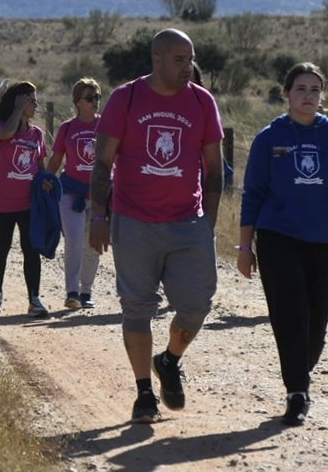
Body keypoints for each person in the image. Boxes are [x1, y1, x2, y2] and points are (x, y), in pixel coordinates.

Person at [89, 28, 224, 424]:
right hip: (134, 221)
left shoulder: (202, 101)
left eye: (191, 59)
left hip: (188, 221)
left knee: (197, 305)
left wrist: (208, 222)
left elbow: (214, 170)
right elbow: (102, 163)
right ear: (157, 60)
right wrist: (98, 216)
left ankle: (169, 360)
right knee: (137, 307)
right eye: (179, 59)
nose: (188, 67)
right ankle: (144, 392)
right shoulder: (126, 98)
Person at [237, 62, 328, 427]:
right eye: (301, 89)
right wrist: (244, 248)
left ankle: (298, 369)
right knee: (290, 313)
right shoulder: (269, 137)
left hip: (324, 239)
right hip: (277, 237)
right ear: (287, 93)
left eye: (314, 90)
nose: (308, 96)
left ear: (322, 96)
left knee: (318, 317)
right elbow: (252, 194)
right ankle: (297, 393)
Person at [0, 81, 51, 318]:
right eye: (31, 101)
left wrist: (46, 182)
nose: (36, 106)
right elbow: (6, 134)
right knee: (1, 248)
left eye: (35, 101)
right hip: (0, 202)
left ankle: (34, 299)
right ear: (19, 101)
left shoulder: (37, 134)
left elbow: (40, 165)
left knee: (31, 249)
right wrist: (17, 110)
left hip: (27, 203)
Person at [47, 78, 102, 310]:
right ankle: (72, 292)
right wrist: (45, 182)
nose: (95, 101)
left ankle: (86, 291)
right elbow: (56, 159)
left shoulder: (106, 125)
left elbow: (117, 159)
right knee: (75, 242)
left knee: (93, 246)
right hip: (71, 193)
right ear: (78, 101)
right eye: (90, 98)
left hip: (99, 195)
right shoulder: (67, 128)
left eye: (97, 97)